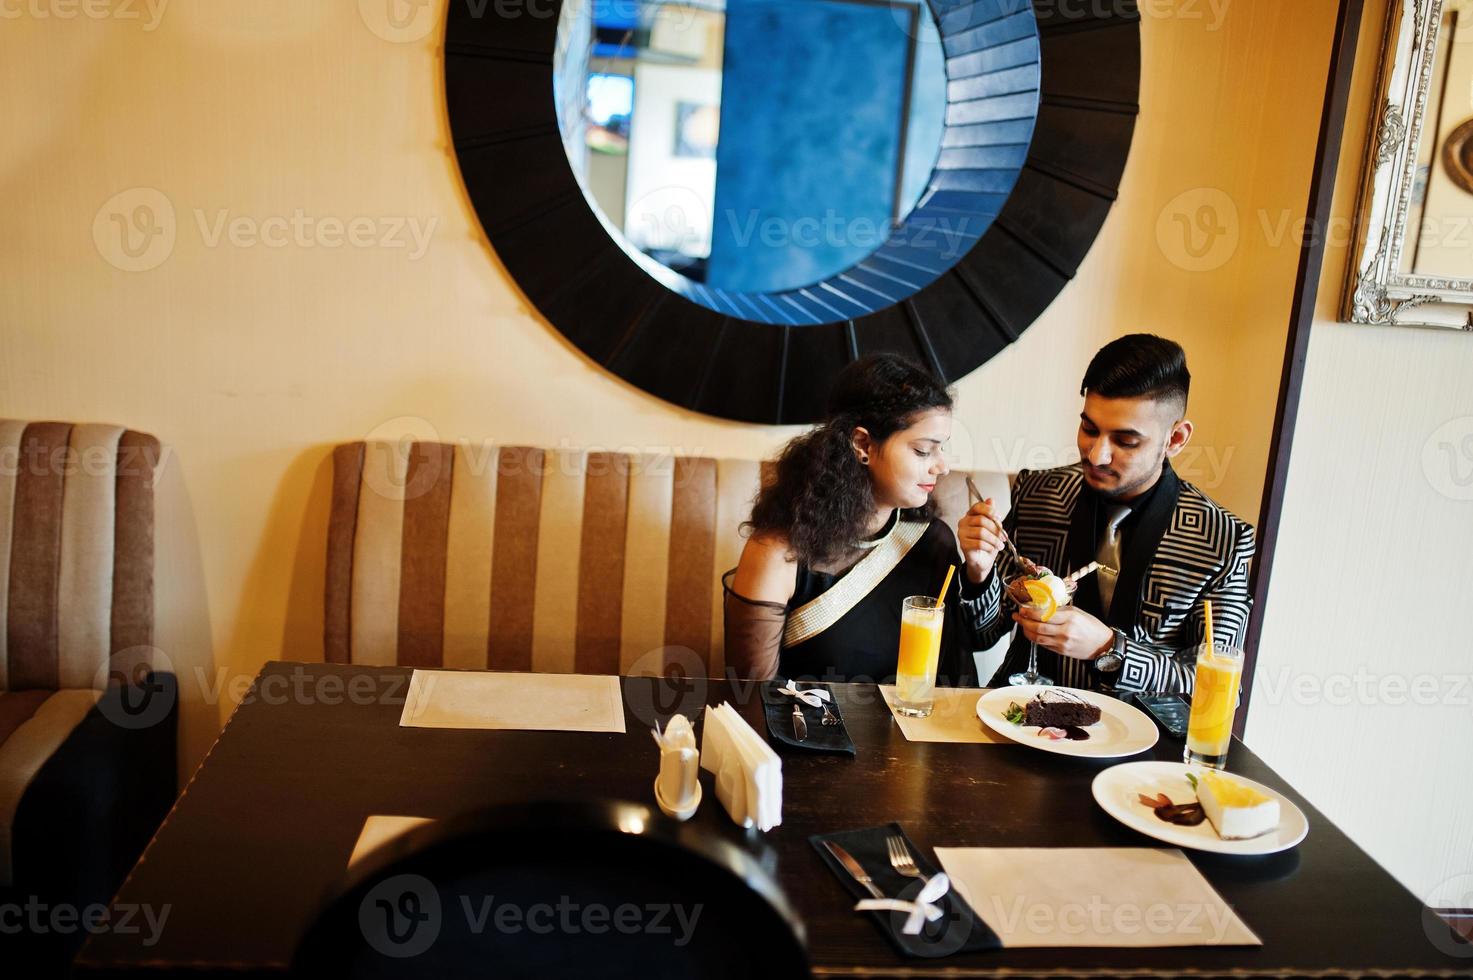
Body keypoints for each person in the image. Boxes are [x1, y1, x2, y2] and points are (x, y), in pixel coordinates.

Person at [960, 334, 1255, 694]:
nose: (1097, 455)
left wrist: (1110, 650)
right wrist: (979, 571)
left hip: (1141, 744)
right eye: (1089, 429)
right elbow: (981, 634)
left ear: (1175, 439)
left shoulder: (1222, 540)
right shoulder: (1039, 494)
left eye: (1126, 441)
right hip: (1019, 721)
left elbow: (1217, 688)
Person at [724, 354, 988, 684]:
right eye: (923, 450)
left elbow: (950, 684)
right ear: (863, 444)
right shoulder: (777, 552)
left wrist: (978, 575)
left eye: (941, 449)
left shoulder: (931, 542)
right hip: (802, 734)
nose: (942, 466)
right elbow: (749, 697)